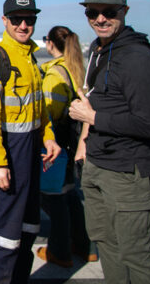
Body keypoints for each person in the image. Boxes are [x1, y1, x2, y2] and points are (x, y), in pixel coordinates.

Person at [69, 0, 150, 284]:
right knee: (105, 242)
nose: (100, 19)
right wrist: (85, 141)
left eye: (109, 12)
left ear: (124, 11)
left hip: (128, 171)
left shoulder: (136, 58)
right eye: (93, 13)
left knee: (135, 254)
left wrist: (92, 117)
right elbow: (97, 97)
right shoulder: (100, 51)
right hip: (98, 163)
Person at [0, 0, 60, 284]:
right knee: (2, 237)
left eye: (30, 19)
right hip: (6, 155)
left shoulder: (30, 59)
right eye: (16, 19)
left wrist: (48, 137)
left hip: (30, 154)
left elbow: (39, 108)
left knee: (26, 230)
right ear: (4, 21)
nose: (24, 25)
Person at [38, 26, 96, 268]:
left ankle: (59, 251)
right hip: (73, 141)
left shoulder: (54, 75)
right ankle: (84, 246)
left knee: (53, 198)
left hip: (57, 142)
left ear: (51, 43)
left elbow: (48, 113)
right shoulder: (76, 70)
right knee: (70, 195)